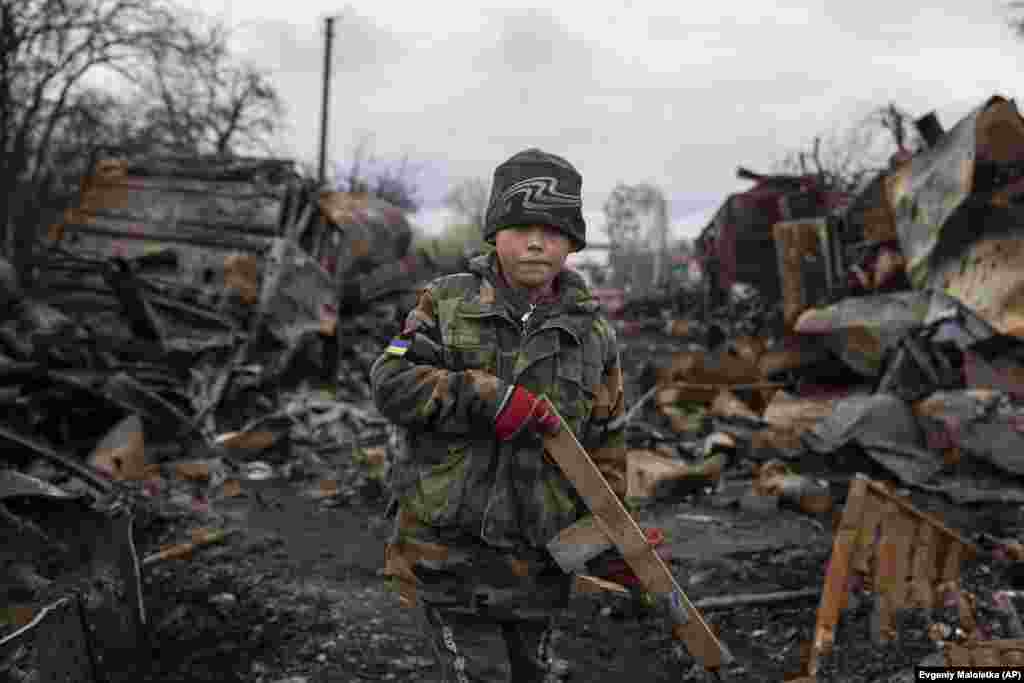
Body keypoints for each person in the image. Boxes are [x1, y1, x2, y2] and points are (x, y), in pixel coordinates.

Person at [370, 148, 629, 682]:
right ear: (495, 233)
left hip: (537, 566)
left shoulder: (593, 335)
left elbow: (606, 447)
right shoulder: (444, 303)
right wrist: (485, 397)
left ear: (573, 242)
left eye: (554, 231)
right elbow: (390, 382)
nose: (537, 242)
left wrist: (609, 540)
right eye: (521, 227)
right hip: (447, 555)